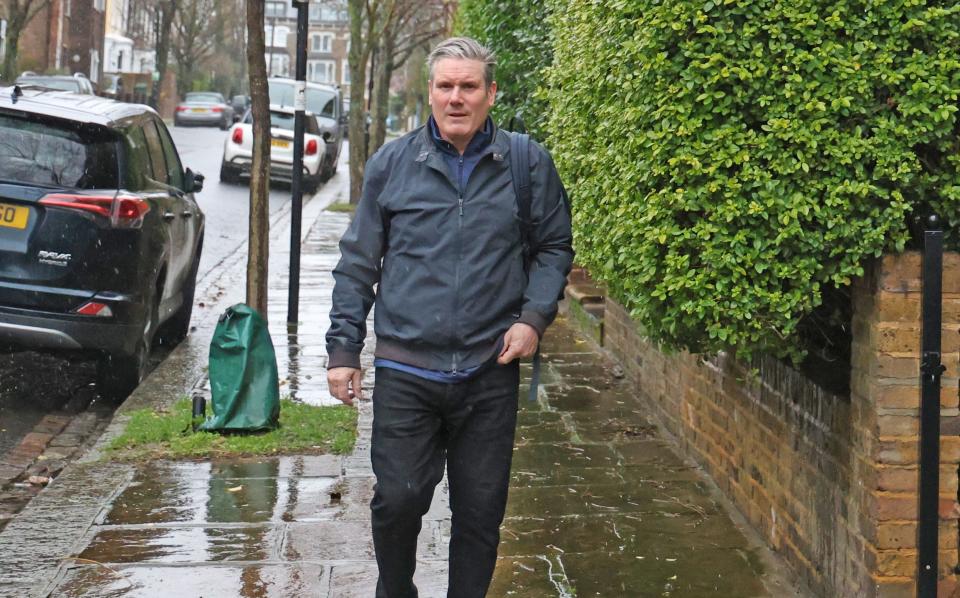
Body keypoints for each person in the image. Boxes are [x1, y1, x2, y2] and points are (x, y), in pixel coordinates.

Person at [326, 36, 573, 598]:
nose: (455, 98)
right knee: (399, 499)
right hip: (408, 368)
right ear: (429, 93)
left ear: (491, 94)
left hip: (490, 369)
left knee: (481, 513)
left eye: (468, 87)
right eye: (445, 86)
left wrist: (533, 318)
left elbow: (555, 247)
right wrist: (344, 351)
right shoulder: (393, 164)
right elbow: (357, 262)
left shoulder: (526, 164)